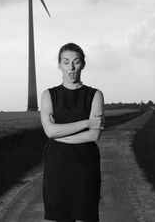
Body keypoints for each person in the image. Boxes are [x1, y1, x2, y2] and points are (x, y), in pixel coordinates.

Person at [40, 43, 105, 222]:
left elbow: (94, 135)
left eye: (76, 62)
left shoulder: (95, 95)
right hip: (56, 166)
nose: (71, 67)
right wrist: (88, 122)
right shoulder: (48, 95)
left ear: (83, 64)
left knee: (86, 216)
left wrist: (59, 134)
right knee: (58, 217)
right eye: (66, 61)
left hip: (86, 166)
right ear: (59, 65)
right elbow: (49, 131)